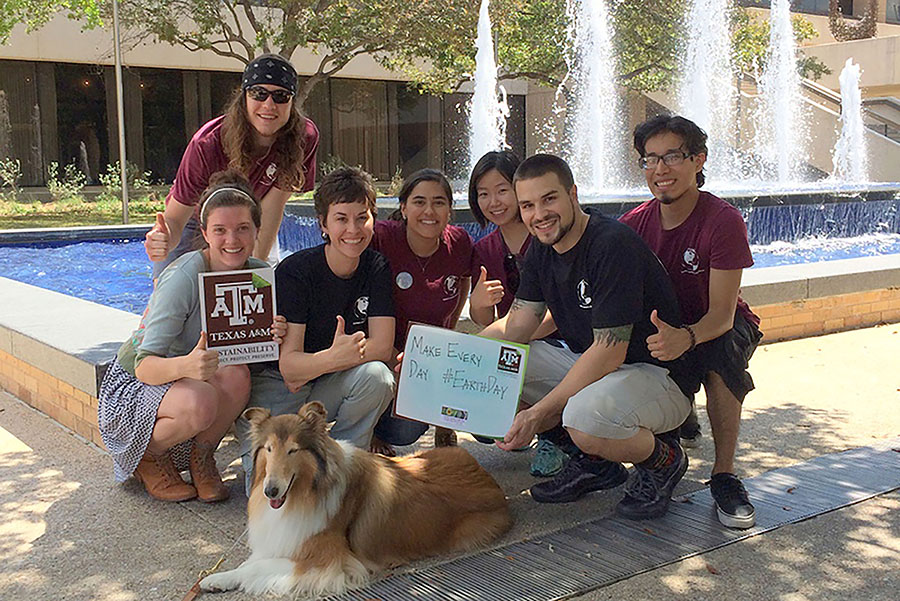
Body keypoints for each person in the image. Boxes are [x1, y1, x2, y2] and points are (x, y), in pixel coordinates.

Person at [481, 154, 700, 520]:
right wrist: (444, 355)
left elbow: (608, 352)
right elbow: (516, 325)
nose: (539, 214)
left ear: (572, 194)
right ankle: (595, 462)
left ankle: (664, 460)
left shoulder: (610, 244)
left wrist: (537, 415)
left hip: (657, 376)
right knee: (502, 361)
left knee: (584, 416)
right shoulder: (541, 249)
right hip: (604, 374)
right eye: (528, 205)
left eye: (549, 199)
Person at [97, 172, 287, 503]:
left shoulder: (257, 276)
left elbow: (248, 353)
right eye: (220, 230)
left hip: (193, 377)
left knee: (238, 376)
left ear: (257, 231)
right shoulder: (184, 276)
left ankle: (202, 458)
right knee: (200, 400)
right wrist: (186, 365)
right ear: (204, 233)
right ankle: (147, 457)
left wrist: (275, 334)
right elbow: (144, 366)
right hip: (137, 383)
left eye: (243, 228)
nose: (233, 239)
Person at [621, 115, 762, 529]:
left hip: (719, 324)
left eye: (672, 157)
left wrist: (686, 339)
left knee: (719, 356)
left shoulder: (722, 220)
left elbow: (720, 314)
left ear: (698, 160)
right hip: (665, 326)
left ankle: (724, 475)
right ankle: (659, 446)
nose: (660, 170)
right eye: (650, 160)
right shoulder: (633, 224)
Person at [236, 166, 396, 488]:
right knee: (270, 489)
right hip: (277, 388)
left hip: (325, 379)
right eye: (341, 218)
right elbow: (288, 368)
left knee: (378, 377)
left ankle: (346, 465)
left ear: (373, 218)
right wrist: (327, 361)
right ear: (322, 223)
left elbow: (382, 348)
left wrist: (325, 363)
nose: (353, 229)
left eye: (362, 217)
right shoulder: (298, 272)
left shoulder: (376, 267)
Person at [144, 53, 319, 276]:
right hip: (195, 219)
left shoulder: (304, 138)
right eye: (259, 93)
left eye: (281, 96)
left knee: (250, 294)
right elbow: (176, 218)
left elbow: (272, 208)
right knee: (166, 301)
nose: (269, 104)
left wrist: (251, 274)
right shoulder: (207, 144)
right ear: (244, 96)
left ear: (292, 102)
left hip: (248, 220)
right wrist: (164, 239)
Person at [467, 150, 574, 476]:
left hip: (566, 347)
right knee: (483, 416)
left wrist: (496, 340)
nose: (493, 201)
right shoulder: (484, 249)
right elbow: (487, 321)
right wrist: (479, 305)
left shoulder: (549, 235)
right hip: (520, 343)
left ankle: (556, 433)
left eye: (502, 190)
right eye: (483, 193)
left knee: (509, 358)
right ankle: (542, 426)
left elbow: (557, 314)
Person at [370, 168, 475, 455]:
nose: (429, 210)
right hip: (385, 354)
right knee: (401, 431)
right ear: (403, 208)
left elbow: (464, 280)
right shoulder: (381, 238)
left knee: (411, 427)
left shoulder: (459, 242)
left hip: (432, 356)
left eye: (439, 202)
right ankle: (371, 430)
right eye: (419, 202)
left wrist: (451, 326)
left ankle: (442, 421)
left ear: (450, 211)